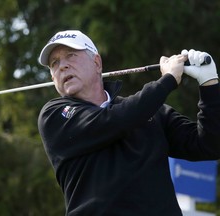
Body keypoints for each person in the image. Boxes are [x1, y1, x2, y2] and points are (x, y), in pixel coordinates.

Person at [37, 30, 220, 216]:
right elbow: (113, 121)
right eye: (54, 63)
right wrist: (168, 80)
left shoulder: (153, 112)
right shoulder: (53, 115)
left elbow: (209, 145)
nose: (62, 66)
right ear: (53, 78)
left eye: (71, 56)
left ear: (97, 63)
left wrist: (209, 84)